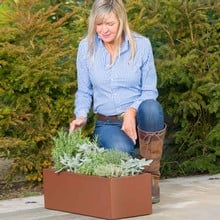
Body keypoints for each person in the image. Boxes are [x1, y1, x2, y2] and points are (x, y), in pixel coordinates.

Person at [69, 0, 166, 204]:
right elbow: (84, 90)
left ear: (121, 21)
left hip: (140, 119)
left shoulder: (141, 45)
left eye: (109, 24)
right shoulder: (85, 48)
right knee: (120, 154)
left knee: (151, 108)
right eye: (99, 24)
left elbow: (149, 90)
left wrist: (131, 111)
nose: (103, 30)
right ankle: (133, 176)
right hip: (108, 123)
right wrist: (80, 115)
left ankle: (151, 177)